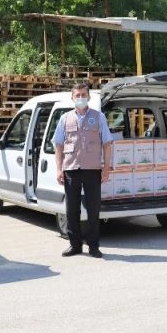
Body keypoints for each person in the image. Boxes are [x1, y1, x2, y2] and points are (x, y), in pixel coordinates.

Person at [53, 82, 113, 258]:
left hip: (92, 169)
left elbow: (107, 143)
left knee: (93, 210)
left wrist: (106, 168)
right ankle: (75, 245)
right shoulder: (65, 119)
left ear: (89, 97)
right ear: (72, 98)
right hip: (71, 168)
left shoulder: (99, 117)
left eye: (83, 95)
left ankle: (93, 246)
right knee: (72, 210)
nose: (80, 98)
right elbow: (58, 145)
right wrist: (59, 169)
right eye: (77, 95)